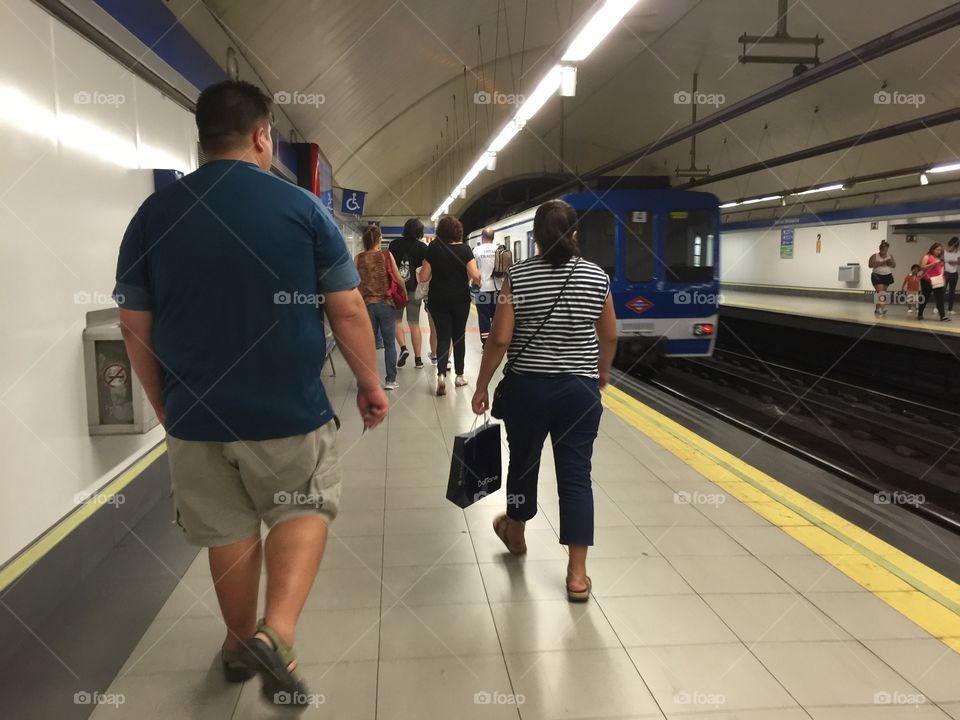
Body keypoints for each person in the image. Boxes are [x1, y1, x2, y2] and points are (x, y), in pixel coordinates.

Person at [113, 80, 388, 707]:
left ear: (202, 139)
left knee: (228, 529)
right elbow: (346, 311)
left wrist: (165, 405)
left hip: (196, 416)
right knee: (304, 506)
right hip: (288, 408)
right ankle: (277, 632)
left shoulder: (153, 215)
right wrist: (370, 383)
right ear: (262, 135)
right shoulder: (302, 209)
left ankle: (238, 644)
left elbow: (134, 325)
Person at [471, 199, 617, 603]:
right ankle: (576, 574)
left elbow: (499, 339)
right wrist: (601, 371)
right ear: (574, 235)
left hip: (528, 389)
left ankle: (515, 533)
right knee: (576, 477)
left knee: (523, 464)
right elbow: (608, 335)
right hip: (578, 391)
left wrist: (482, 385)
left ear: (535, 236)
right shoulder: (597, 277)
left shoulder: (516, 277)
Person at [418, 216, 481, 395]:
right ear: (458, 231)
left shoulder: (433, 249)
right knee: (458, 337)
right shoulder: (465, 249)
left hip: (438, 299)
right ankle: (459, 376)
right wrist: (476, 280)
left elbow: (423, 277)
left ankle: (441, 375)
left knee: (443, 337)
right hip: (460, 299)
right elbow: (475, 275)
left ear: (441, 232)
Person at [356, 224, 405, 389]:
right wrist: (403, 293)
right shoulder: (386, 255)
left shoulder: (358, 258)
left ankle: (366, 381)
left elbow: (354, 283)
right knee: (390, 343)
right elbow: (398, 278)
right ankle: (390, 381)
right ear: (379, 239)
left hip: (367, 306)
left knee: (367, 344)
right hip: (386, 304)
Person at [388, 218, 428, 368]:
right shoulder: (423, 248)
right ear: (420, 231)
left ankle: (403, 348)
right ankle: (418, 359)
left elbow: (390, 269)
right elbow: (425, 271)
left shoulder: (394, 245)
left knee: (396, 321)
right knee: (414, 324)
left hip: (397, 289)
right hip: (414, 290)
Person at [472, 226, 499, 347]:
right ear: (493, 238)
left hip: (482, 289)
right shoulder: (500, 249)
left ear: (482, 238)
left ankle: (486, 343)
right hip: (498, 290)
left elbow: (472, 270)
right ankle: (497, 340)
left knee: (484, 317)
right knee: (497, 316)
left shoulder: (476, 250)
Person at [918, 242, 950, 322]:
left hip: (937, 280)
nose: (938, 251)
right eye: (937, 249)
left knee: (940, 298)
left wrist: (943, 279)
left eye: (940, 250)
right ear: (932, 249)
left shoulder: (941, 259)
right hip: (927, 280)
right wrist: (933, 264)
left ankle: (942, 316)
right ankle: (920, 314)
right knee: (925, 297)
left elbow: (942, 270)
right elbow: (922, 267)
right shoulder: (927, 257)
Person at [868, 241, 896, 317]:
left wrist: (890, 263)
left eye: (886, 250)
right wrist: (881, 263)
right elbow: (870, 265)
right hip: (877, 275)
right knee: (881, 292)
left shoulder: (890, 256)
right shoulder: (875, 256)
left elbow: (894, 265)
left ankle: (877, 309)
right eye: (883, 250)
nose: (885, 252)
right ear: (880, 249)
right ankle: (882, 309)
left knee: (881, 293)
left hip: (887, 275)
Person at [944, 236, 959, 315]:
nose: (952, 247)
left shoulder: (958, 252)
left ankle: (950, 309)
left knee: (952, 292)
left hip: (955, 274)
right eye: (951, 245)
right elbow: (947, 250)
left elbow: (959, 262)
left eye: (954, 246)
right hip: (946, 273)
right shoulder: (945, 251)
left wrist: (954, 262)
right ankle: (938, 307)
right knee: (942, 291)